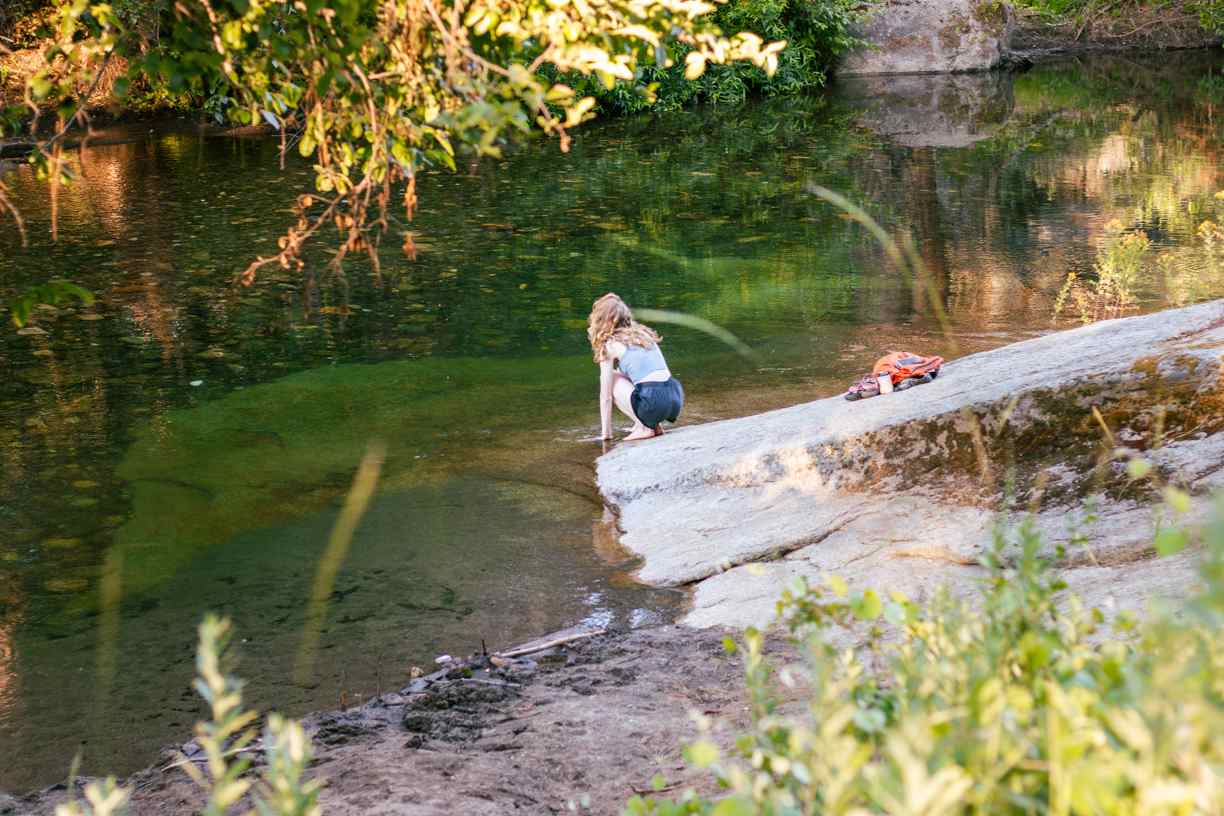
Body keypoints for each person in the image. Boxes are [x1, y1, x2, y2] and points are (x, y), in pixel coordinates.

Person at [587, 293, 684, 442]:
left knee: (611, 378)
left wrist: (606, 435)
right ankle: (653, 425)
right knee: (624, 375)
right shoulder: (643, 333)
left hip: (653, 401)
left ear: (602, 320)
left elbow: (605, 396)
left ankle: (645, 428)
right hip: (674, 396)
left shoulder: (609, 344)